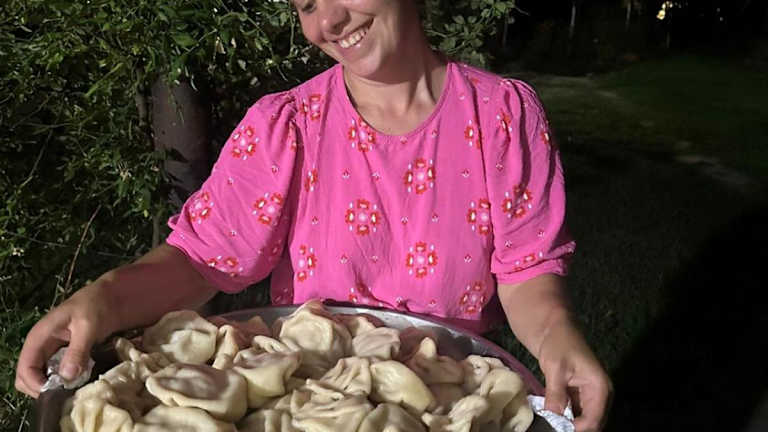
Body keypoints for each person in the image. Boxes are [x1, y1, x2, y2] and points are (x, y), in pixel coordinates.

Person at [15, 0, 612, 430]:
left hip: (444, 400)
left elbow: (527, 269)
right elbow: (200, 260)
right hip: (311, 405)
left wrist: (556, 338)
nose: (327, 21)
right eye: (305, 5)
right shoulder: (287, 128)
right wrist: (105, 298)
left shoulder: (502, 117)